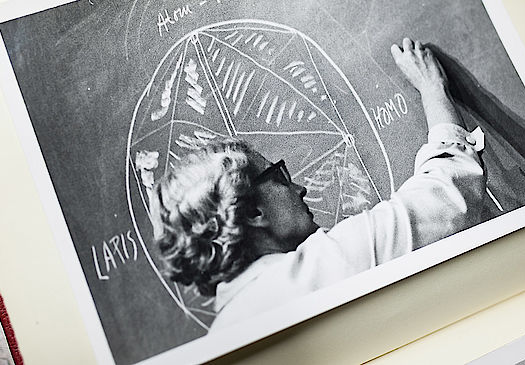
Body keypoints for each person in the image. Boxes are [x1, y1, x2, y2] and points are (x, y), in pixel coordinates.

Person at [148, 38, 486, 331]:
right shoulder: (321, 270)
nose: (300, 189)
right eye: (279, 177)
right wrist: (432, 89)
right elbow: (447, 197)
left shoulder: (222, 338)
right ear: (252, 211)